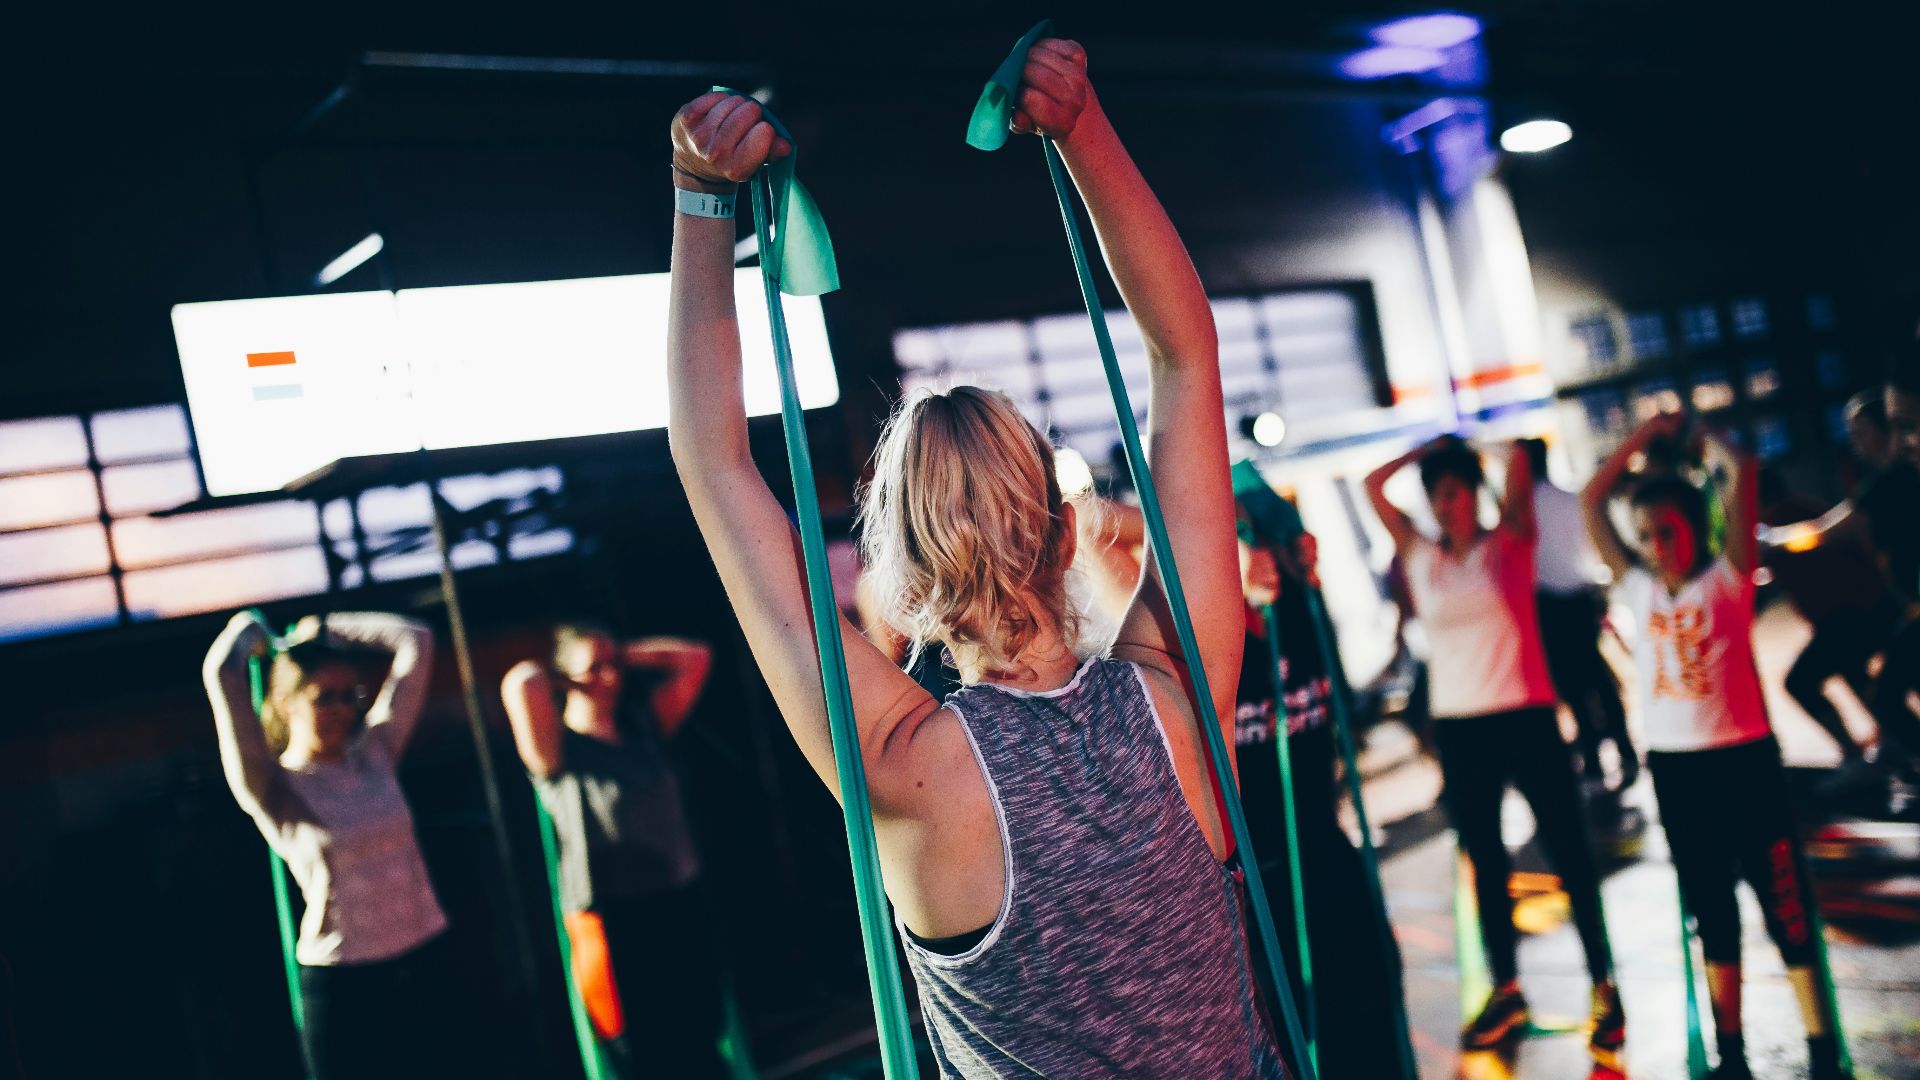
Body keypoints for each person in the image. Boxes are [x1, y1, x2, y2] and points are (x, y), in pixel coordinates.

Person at [665, 39, 1286, 1077]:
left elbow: (716, 469)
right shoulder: (1179, 691)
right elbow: (1185, 355)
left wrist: (700, 200)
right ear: (1068, 530)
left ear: (901, 589)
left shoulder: (908, 766)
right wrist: (1082, 126)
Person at [1583, 413, 1851, 1080]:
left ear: (1694, 529)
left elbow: (1745, 473)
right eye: (1645, 536)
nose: (1655, 546)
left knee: (1784, 904)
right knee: (1712, 913)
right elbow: (1593, 499)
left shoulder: (1727, 579)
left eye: (1667, 531)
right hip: (1678, 774)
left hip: (1745, 764)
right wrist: (1639, 438)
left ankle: (1821, 1048)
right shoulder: (1639, 589)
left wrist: (1695, 431)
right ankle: (1732, 1053)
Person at [1363, 434, 1623, 1057]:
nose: (1443, 504)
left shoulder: (1510, 543)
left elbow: (1522, 459)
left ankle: (1603, 985)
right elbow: (1374, 484)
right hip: (1462, 730)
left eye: (1454, 491)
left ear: (1476, 493)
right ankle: (1507, 990)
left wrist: (1470, 443)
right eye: (1436, 494)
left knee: (1569, 853)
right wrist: (1427, 448)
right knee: (1485, 864)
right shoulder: (1420, 556)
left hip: (1526, 718)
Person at [201, 610, 455, 1080]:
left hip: (424, 959)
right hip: (347, 982)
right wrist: (246, 633)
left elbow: (416, 639)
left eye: (350, 696)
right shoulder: (273, 784)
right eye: (325, 698)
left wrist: (325, 627)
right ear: (285, 704)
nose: (343, 710)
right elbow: (220, 673)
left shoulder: (375, 753)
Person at [501, 624, 727, 1079]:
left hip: (678, 902)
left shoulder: (644, 726)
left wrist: (621, 653)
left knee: (700, 1034)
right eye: (595, 668)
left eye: (614, 666)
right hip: (612, 916)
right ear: (565, 677)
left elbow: (697, 657)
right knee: (641, 1051)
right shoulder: (558, 750)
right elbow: (521, 682)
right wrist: (568, 674)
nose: (609, 677)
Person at [1234, 503, 1410, 1079]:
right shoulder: (1200, 636)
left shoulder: (1303, 610)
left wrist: (1300, 561)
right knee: (1295, 1034)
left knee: (1376, 991)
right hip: (1258, 879)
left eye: (1255, 535)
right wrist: (1223, 557)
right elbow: (1100, 530)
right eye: (1235, 537)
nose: (1255, 549)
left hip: (1326, 847)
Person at [1521, 437, 1638, 791]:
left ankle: (1593, 760)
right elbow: (1590, 550)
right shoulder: (1569, 498)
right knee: (1597, 676)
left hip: (1549, 605)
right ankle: (1625, 750)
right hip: (1582, 596)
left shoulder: (1523, 508)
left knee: (1571, 684)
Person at [1755, 466, 1890, 768]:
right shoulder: (1800, 509)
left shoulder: (1781, 522)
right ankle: (1891, 744)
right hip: (1852, 615)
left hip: (1854, 615)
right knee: (1855, 675)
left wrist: (1771, 541)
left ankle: (1857, 755)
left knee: (1800, 681)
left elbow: (1815, 539)